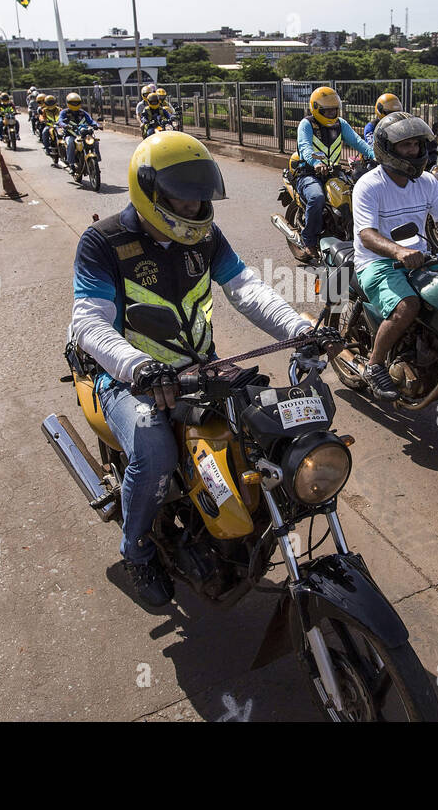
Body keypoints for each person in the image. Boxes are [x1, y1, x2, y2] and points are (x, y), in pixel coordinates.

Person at [66, 131, 326, 606]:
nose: (194, 204)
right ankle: (136, 552)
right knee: (154, 452)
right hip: (128, 379)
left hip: (201, 368)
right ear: (149, 190)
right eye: (181, 194)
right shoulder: (103, 242)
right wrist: (138, 366)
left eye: (199, 192)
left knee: (265, 434)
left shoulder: (206, 237)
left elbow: (246, 289)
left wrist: (296, 328)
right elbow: (89, 323)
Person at [351, 112, 438, 401]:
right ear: (387, 149)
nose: (414, 151)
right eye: (406, 146)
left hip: (421, 260)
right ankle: (375, 364)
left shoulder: (426, 182)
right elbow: (366, 235)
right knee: (407, 305)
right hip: (377, 262)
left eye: (416, 145)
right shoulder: (369, 184)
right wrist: (399, 251)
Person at [295, 86, 376, 261]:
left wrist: (377, 157)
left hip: (332, 172)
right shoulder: (307, 124)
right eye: (328, 110)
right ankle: (308, 241)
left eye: (334, 109)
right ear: (317, 109)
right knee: (317, 198)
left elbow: (358, 142)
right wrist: (316, 163)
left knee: (355, 194)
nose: (332, 113)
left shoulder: (341, 124)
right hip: (309, 173)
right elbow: (305, 148)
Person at [59, 93, 101, 169]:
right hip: (70, 134)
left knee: (95, 142)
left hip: (83, 134)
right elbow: (60, 121)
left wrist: (97, 125)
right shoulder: (64, 112)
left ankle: (96, 161)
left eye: (76, 102)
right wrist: (65, 125)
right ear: (68, 103)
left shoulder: (83, 112)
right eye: (73, 103)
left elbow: (91, 121)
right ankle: (71, 164)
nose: (75, 104)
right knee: (70, 143)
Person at [39, 94, 61, 163]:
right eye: (49, 102)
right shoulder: (44, 110)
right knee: (44, 132)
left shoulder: (59, 109)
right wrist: (42, 120)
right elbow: (41, 117)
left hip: (59, 126)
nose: (51, 104)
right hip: (49, 126)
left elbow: (63, 115)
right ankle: (47, 148)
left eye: (52, 102)